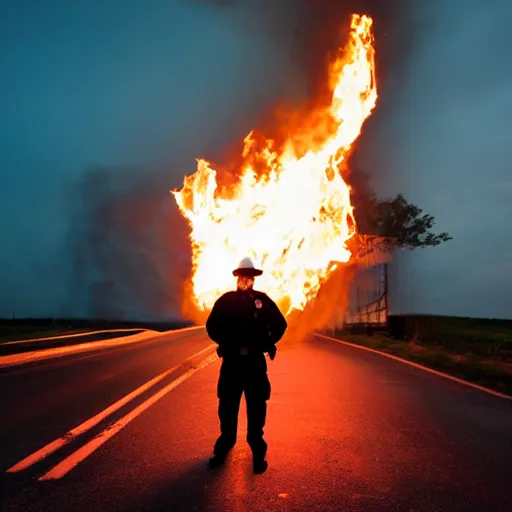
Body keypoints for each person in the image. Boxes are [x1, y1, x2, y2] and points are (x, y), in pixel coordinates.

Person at [206, 257, 287, 474]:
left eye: (249, 275)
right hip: (232, 364)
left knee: (257, 410)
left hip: (254, 365)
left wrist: (268, 342)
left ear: (253, 278)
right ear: (237, 277)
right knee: (227, 410)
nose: (246, 278)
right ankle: (222, 450)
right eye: (243, 274)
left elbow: (281, 324)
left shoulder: (263, 301)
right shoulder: (226, 301)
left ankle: (258, 457)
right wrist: (224, 342)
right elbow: (211, 325)